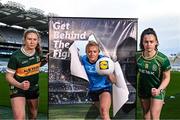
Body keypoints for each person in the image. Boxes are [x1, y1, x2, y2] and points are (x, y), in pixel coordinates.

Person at [6, 27, 47, 119]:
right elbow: (8, 77)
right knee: (20, 117)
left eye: (34, 39)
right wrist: (20, 85)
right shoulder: (15, 56)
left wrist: (46, 60)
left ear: (37, 41)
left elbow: (37, 64)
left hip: (33, 88)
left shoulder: (38, 53)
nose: (32, 42)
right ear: (24, 40)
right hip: (17, 88)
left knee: (33, 116)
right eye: (29, 39)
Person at [136, 28, 171, 119]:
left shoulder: (162, 59)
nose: (149, 45)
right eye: (146, 42)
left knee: (154, 116)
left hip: (158, 89)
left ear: (156, 42)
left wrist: (159, 90)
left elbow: (166, 78)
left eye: (151, 42)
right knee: (146, 116)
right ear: (142, 43)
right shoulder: (137, 56)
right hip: (143, 89)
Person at [81, 41, 116, 120]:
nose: (92, 54)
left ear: (98, 52)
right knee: (102, 113)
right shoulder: (83, 59)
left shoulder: (104, 61)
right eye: (89, 51)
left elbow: (114, 81)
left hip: (104, 89)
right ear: (86, 52)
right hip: (92, 90)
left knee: (104, 111)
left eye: (94, 51)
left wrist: (109, 72)